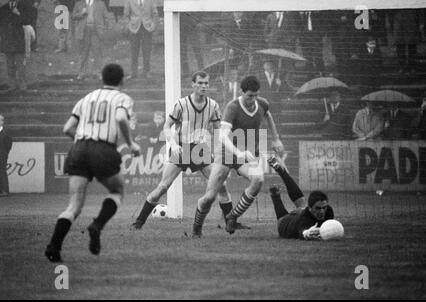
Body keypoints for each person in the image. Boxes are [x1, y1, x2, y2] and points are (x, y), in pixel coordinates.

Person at [44, 64, 141, 263]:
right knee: (117, 191)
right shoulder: (122, 98)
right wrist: (130, 143)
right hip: (103, 149)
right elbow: (121, 117)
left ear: (101, 77)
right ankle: (97, 225)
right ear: (122, 80)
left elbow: (67, 128)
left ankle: (54, 246)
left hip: (78, 148)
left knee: (73, 206)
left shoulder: (86, 98)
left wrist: (82, 140)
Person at [132, 71, 250, 231]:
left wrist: (218, 151)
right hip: (181, 148)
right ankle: (138, 223)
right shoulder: (181, 104)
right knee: (163, 187)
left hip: (201, 150)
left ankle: (231, 222)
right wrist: (173, 145)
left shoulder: (213, 105)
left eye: (206, 83)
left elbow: (218, 131)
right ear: (193, 84)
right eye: (200, 83)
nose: (203, 86)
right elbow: (166, 126)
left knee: (221, 185)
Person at [192, 75, 285, 237]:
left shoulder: (262, 103)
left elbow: (268, 115)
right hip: (227, 152)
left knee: (258, 179)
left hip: (247, 152)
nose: (253, 99)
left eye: (256, 95)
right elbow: (222, 136)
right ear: (241, 92)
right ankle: (196, 229)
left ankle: (232, 216)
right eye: (250, 95)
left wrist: (276, 139)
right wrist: (238, 152)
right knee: (209, 197)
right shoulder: (232, 107)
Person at [267, 156, 334, 240]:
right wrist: (307, 233)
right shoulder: (304, 218)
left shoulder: (329, 211)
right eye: (318, 208)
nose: (321, 211)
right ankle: (275, 196)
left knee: (302, 203)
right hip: (286, 224)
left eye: (324, 208)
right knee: (281, 220)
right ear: (310, 208)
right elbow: (302, 232)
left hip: (301, 211)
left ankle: (281, 171)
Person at [73, 0, 110, 80]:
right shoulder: (79, 3)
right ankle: (82, 73)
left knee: (97, 53)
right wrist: (81, 13)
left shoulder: (100, 3)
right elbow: (73, 16)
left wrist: (104, 30)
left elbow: (106, 18)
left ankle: (98, 73)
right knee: (83, 54)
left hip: (96, 32)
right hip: (84, 32)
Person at [0, 0, 31, 91]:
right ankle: (12, 85)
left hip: (18, 41)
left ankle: (22, 85)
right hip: (8, 40)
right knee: (10, 65)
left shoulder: (23, 6)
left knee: (20, 64)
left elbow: (28, 21)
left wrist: (18, 14)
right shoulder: (3, 8)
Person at [124, 0, 159, 79]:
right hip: (134, 28)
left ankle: (147, 72)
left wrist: (153, 26)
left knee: (147, 51)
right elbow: (126, 15)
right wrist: (129, 26)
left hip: (147, 28)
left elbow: (155, 14)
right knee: (134, 52)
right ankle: (133, 73)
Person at [0, 114, 13, 197]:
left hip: (2, 155)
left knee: (2, 171)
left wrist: (4, 153)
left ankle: (5, 191)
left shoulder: (6, 132)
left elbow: (9, 144)